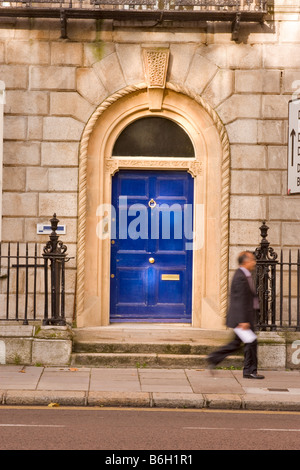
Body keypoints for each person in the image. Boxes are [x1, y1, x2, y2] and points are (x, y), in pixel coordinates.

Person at [207, 251, 264, 379]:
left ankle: (214, 358)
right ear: (245, 261)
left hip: (244, 317)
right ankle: (249, 371)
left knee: (236, 344)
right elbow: (239, 300)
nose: (254, 262)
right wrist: (243, 320)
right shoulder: (240, 276)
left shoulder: (245, 274)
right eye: (252, 260)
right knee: (251, 342)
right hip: (241, 319)